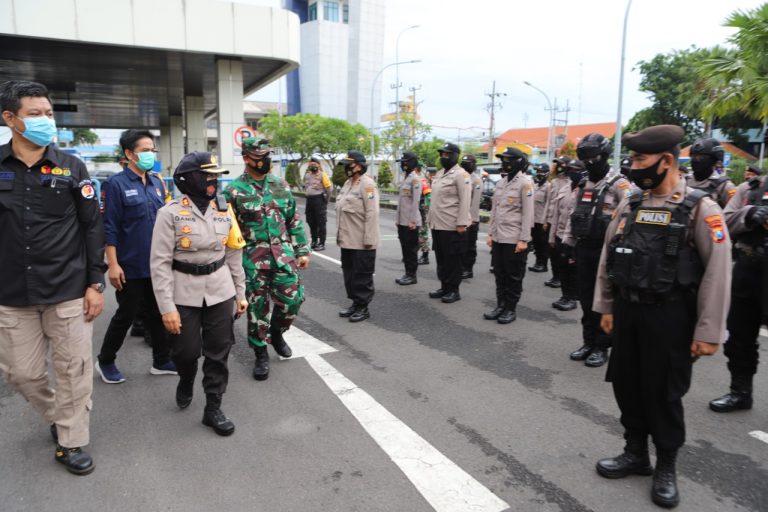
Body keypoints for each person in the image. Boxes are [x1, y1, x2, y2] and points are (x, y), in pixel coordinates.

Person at [593, 125, 731, 509]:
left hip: (671, 315)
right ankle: (635, 453)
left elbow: (718, 272)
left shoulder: (702, 208)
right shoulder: (630, 204)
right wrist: (606, 306)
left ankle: (666, 465)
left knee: (663, 393)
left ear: (666, 160)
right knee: (627, 383)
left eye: (639, 160)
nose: (633, 167)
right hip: (629, 311)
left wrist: (709, 330)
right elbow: (609, 256)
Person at [0, 80, 106, 474]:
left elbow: (92, 227)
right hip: (12, 293)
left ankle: (72, 440)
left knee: (74, 371)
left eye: (49, 113)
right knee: (22, 374)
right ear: (10, 119)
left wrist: (96, 284)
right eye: (35, 113)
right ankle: (61, 417)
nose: (46, 120)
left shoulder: (71, 167)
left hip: (67, 290)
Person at [151, 151, 247, 436]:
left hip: (220, 290)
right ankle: (185, 377)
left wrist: (240, 293)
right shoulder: (169, 214)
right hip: (183, 292)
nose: (213, 182)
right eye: (208, 176)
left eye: (215, 176)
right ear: (189, 179)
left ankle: (213, 407)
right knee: (186, 351)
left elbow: (233, 254)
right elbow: (159, 264)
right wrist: (166, 308)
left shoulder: (223, 208)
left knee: (219, 351)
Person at [224, 138, 310, 380]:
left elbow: (293, 219)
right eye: (259, 156)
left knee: (294, 300)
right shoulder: (233, 191)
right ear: (246, 158)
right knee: (257, 309)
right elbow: (228, 230)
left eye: (267, 156)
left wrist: (302, 249)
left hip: (283, 256)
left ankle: (277, 332)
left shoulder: (280, 185)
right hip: (252, 260)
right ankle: (260, 352)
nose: (265, 161)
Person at [95, 129, 176, 384]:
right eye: (144, 150)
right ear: (129, 154)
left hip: (157, 263)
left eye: (152, 150)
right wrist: (114, 264)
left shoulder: (156, 183)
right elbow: (110, 227)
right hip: (130, 264)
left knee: (156, 311)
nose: (150, 154)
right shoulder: (116, 184)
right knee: (126, 314)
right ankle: (106, 360)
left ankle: (161, 360)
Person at [563, 133, 631, 368]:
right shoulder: (582, 183)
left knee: (604, 300)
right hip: (584, 249)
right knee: (585, 298)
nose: (588, 162)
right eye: (584, 157)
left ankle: (602, 346)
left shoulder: (620, 184)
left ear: (603, 156)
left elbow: (630, 215)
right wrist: (568, 243)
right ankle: (588, 341)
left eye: (592, 157)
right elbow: (574, 215)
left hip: (606, 252)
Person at [709, 162, 768, 413]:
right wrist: (750, 214)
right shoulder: (750, 188)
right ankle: (740, 392)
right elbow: (723, 221)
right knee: (739, 335)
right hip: (748, 267)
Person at [484, 147, 534, 323]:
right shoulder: (500, 183)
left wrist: (524, 239)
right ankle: (500, 305)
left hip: (514, 238)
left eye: (508, 159)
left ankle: (510, 309)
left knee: (513, 275)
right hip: (498, 236)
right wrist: (490, 233)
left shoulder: (525, 183)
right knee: (499, 273)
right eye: (503, 159)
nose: (505, 163)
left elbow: (528, 214)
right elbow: (495, 210)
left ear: (518, 162)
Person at [336, 151, 380, 322]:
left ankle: (363, 307)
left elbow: (372, 213)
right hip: (347, 240)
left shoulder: (367, 185)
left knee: (362, 275)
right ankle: (355, 303)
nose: (347, 168)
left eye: (350, 164)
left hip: (362, 241)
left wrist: (369, 239)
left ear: (360, 166)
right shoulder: (348, 184)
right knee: (350, 274)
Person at [427, 143, 471, 303]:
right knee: (441, 258)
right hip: (438, 224)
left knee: (453, 259)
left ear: (454, 155)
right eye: (442, 154)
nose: (443, 157)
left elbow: (465, 200)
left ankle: (454, 290)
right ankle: (444, 286)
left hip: (452, 225)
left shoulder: (461, 175)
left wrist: (461, 223)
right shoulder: (439, 174)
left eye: (446, 154)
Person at [549, 159, 583, 312]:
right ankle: (565, 295)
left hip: (574, 237)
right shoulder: (564, 187)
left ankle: (572, 297)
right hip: (559, 234)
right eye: (570, 170)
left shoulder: (585, 190)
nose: (572, 173)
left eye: (576, 170)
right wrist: (552, 236)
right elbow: (556, 214)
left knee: (572, 269)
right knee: (561, 267)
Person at [395, 151, 422, 285]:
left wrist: (412, 221)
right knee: (405, 249)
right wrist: (397, 219)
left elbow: (415, 202)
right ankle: (407, 273)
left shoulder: (415, 179)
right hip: (402, 221)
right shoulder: (405, 178)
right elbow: (401, 202)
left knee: (411, 250)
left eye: (405, 162)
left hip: (411, 222)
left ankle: (412, 275)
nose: (402, 164)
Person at [543, 156, 571, 288]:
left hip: (562, 222)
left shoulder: (571, 182)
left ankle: (561, 278)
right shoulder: (553, 182)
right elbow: (548, 202)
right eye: (557, 164)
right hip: (550, 221)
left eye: (561, 164)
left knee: (561, 253)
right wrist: (544, 220)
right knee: (552, 251)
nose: (559, 166)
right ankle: (555, 276)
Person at [687, 138, 736, 209]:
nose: (696, 160)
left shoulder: (724, 186)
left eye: (701, 156)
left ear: (714, 160)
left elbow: (733, 214)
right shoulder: (684, 181)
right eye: (693, 156)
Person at [460, 154, 483, 279]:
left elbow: (475, 203)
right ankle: (461, 266)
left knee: (469, 246)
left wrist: (472, 220)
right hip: (461, 217)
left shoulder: (476, 180)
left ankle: (468, 269)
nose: (465, 165)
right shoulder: (462, 177)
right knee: (461, 245)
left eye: (468, 163)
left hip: (471, 220)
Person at [303, 156, 331, 251]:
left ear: (318, 165)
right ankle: (314, 241)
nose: (312, 166)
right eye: (310, 165)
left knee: (321, 222)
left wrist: (325, 201)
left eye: (314, 164)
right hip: (309, 201)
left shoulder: (323, 175)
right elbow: (306, 187)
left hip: (319, 200)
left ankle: (322, 243)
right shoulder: (307, 175)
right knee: (311, 221)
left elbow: (329, 189)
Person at [529, 163, 552, 272]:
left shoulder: (548, 187)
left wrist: (546, 221)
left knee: (543, 243)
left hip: (542, 221)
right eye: (537, 171)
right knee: (536, 243)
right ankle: (538, 262)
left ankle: (543, 264)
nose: (538, 174)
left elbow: (549, 204)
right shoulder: (534, 186)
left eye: (541, 171)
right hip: (534, 220)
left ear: (546, 173)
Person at [417, 167, 435, 265]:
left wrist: (426, 209)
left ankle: (425, 256)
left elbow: (429, 197)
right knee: (418, 233)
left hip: (422, 210)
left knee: (422, 232)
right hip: (421, 209)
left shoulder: (423, 182)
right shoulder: (424, 181)